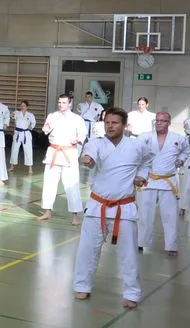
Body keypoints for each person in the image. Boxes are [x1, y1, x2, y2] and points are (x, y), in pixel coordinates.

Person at [74, 107, 151, 310]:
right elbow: (89, 157)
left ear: (124, 125)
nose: (110, 126)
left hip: (124, 208)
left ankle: (132, 292)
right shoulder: (96, 143)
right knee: (87, 250)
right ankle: (82, 286)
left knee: (128, 254)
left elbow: (148, 161)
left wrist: (142, 175)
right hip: (97, 206)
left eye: (114, 123)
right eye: (107, 122)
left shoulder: (136, 145)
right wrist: (87, 160)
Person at [137, 112, 187, 255]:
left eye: (163, 121)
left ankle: (171, 246)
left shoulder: (178, 139)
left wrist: (181, 159)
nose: (159, 123)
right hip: (148, 180)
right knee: (144, 214)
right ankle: (141, 242)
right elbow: (134, 152)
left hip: (168, 181)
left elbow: (186, 151)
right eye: (157, 120)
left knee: (171, 216)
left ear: (169, 123)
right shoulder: (144, 137)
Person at [37, 94, 87, 225]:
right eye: (59, 102)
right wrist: (46, 128)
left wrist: (77, 139)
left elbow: (83, 134)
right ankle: (47, 211)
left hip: (69, 153)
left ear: (70, 104)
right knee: (49, 183)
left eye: (64, 102)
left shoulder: (77, 119)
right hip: (53, 152)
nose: (61, 105)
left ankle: (75, 216)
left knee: (72, 185)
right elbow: (45, 130)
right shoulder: (52, 116)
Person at [9, 101, 37, 174]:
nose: (22, 107)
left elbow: (33, 123)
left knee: (28, 150)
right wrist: (11, 114)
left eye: (24, 105)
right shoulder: (17, 113)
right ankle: (12, 166)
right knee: (14, 149)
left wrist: (29, 128)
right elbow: (11, 116)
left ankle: (30, 168)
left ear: (27, 107)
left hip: (26, 133)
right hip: (17, 133)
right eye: (21, 105)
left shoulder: (30, 115)